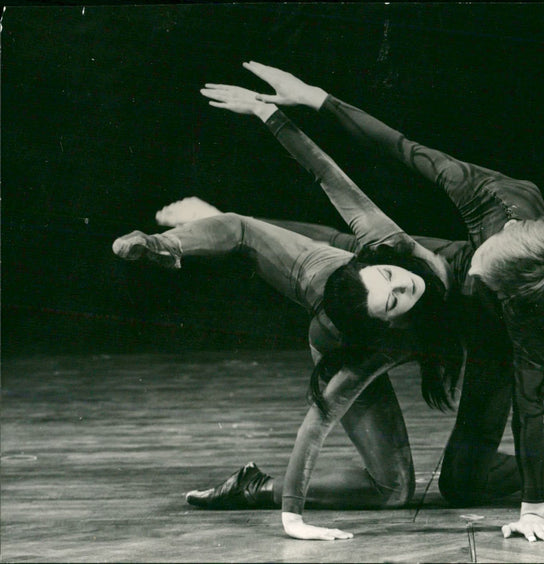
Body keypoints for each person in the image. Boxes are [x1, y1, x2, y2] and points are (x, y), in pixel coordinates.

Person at [239, 63, 544, 543]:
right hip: (440, 274)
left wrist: (532, 508)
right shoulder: (488, 198)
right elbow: (398, 150)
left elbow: (531, 404)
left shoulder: (528, 316)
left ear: (507, 293)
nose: (473, 277)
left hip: (492, 343)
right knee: (378, 252)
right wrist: (317, 100)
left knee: (462, 486)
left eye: (483, 281)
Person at [113, 96, 464, 541]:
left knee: (255, 230)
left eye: (392, 280)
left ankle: (197, 229)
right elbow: (316, 424)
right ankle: (165, 245)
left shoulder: (393, 251)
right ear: (390, 323)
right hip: (337, 320)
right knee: (393, 491)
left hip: (336, 266)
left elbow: (328, 175)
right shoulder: (378, 346)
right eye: (393, 300)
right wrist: (292, 518)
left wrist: (268, 114)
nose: (404, 286)